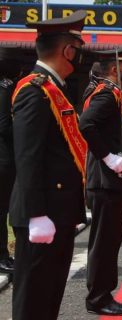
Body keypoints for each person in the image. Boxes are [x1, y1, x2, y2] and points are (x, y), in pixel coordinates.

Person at [9, 11, 88, 319]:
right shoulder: (35, 90)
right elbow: (27, 156)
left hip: (58, 211)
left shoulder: (56, 89)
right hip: (42, 214)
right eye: (77, 47)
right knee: (33, 301)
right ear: (68, 50)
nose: (79, 54)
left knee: (49, 296)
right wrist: (37, 214)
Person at [80, 44, 122, 316]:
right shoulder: (106, 95)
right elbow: (86, 124)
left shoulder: (113, 94)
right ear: (115, 69)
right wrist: (109, 157)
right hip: (106, 180)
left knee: (110, 240)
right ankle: (98, 298)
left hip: (112, 181)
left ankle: (104, 293)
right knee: (104, 243)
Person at [0, 47, 23, 275]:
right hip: (4, 157)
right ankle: (2, 256)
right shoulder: (6, 88)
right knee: (2, 210)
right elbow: (5, 125)